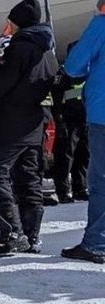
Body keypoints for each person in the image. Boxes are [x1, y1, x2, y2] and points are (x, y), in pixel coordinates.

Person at [0, 0, 58, 255]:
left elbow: (2, 85)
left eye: (10, 21)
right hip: (34, 124)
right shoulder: (47, 50)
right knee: (28, 180)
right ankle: (31, 236)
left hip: (9, 124)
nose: (8, 26)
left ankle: (12, 234)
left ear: (18, 22)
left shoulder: (21, 47)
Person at [60, 0, 105, 264]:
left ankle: (96, 243)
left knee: (101, 181)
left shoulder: (101, 24)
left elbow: (74, 66)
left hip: (103, 114)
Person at [52, 42, 89, 204]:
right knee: (65, 157)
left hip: (86, 120)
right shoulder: (64, 73)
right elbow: (56, 98)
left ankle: (79, 189)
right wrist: (59, 121)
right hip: (68, 121)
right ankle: (62, 191)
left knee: (84, 155)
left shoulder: (90, 71)